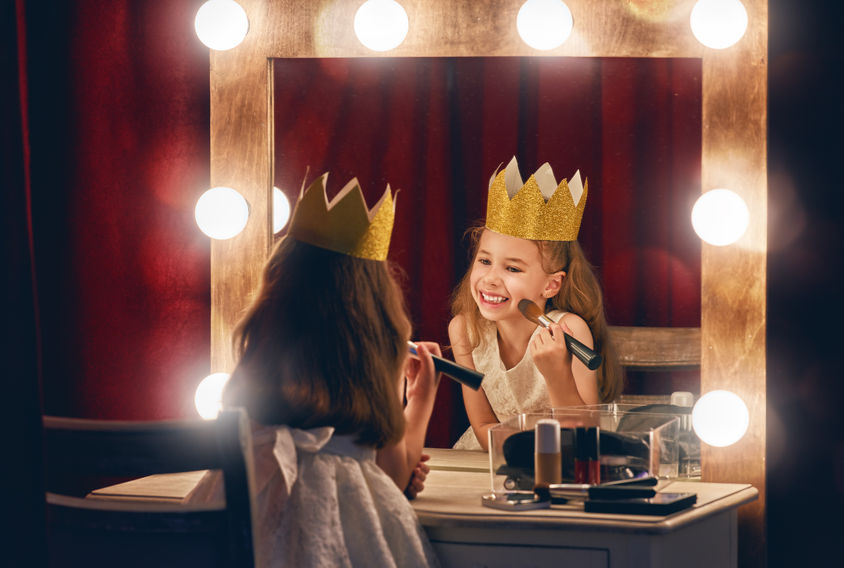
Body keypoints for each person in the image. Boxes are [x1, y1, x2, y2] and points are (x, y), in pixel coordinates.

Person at [221, 173, 441, 566]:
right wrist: (420, 399)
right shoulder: (373, 358)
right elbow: (392, 473)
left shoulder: (264, 351)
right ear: (374, 313)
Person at [450, 157, 622, 451]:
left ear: (551, 284)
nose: (490, 278)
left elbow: (582, 437)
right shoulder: (464, 330)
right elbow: (482, 427)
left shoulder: (570, 330)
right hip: (488, 462)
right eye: (485, 261)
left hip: (563, 464)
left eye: (512, 269)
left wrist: (557, 374)